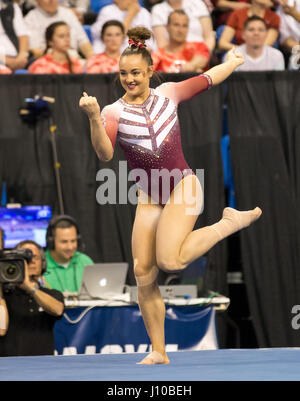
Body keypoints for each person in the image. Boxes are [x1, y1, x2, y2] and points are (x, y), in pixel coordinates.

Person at [79, 26, 262, 364]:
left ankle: (229, 222)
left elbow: (207, 78)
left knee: (171, 260)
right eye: (123, 74)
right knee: (143, 271)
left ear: (150, 70)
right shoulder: (112, 111)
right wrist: (93, 118)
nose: (129, 79)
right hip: (150, 195)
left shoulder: (169, 94)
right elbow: (105, 154)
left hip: (182, 185)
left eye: (136, 72)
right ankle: (159, 351)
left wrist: (233, 62)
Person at [0, 239, 64, 357]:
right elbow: (0, 328)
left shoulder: (52, 294)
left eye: (36, 257)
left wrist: (30, 287)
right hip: (10, 367)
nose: (32, 261)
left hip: (43, 366)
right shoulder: (4, 296)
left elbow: (57, 309)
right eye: (26, 258)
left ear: (43, 263)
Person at [24, 0, 94, 60]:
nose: (52, 0)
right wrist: (61, 57)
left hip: (74, 58)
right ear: (37, 1)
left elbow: (85, 44)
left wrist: (93, 61)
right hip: (46, 62)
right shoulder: (30, 19)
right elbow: (35, 52)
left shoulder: (68, 13)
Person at [45, 215, 93, 294]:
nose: (70, 247)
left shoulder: (85, 261)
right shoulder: (39, 265)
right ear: (51, 242)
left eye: (73, 241)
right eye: (64, 242)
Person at [151, 0, 216, 54]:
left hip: (201, 54)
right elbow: (161, 45)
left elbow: (209, 37)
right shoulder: (158, 10)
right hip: (173, 57)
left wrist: (203, 56)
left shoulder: (197, 3)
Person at [91, 0, 155, 54]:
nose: (135, 1)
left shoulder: (143, 13)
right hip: (110, 56)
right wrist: (130, 15)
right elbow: (111, 37)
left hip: (137, 56)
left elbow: (149, 42)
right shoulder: (107, 11)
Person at [0, 0, 30, 71]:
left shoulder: (11, 6)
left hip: (17, 58)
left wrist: (22, 56)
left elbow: (23, 35)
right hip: (4, 61)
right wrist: (7, 61)